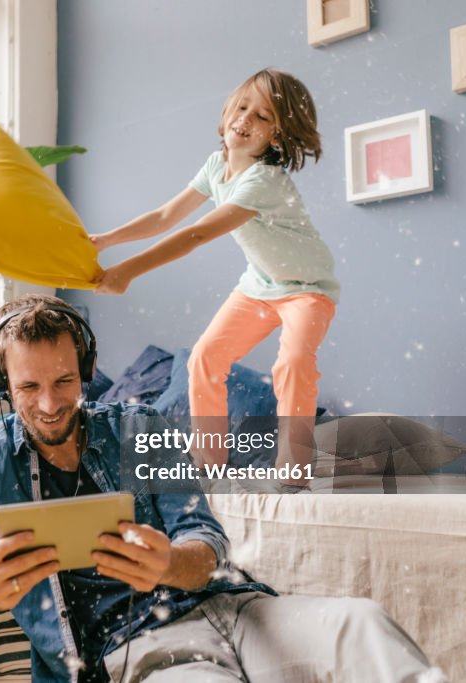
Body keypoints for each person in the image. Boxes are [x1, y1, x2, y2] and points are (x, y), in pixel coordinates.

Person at [0, 294, 442, 682]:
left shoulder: (138, 429)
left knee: (361, 623)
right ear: (3, 383)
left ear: (87, 369)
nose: (49, 404)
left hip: (236, 610)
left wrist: (168, 563)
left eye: (65, 381)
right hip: (143, 644)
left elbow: (205, 540)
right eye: (28, 386)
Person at [91, 69, 338, 484]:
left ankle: (293, 469)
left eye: (262, 117)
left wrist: (126, 272)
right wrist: (105, 241)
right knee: (206, 355)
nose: (245, 119)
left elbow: (196, 233)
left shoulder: (264, 181)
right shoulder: (216, 165)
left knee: (293, 360)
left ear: (276, 137)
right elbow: (165, 217)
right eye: (242, 107)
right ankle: (209, 466)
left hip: (306, 291)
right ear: (227, 112)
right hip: (259, 285)